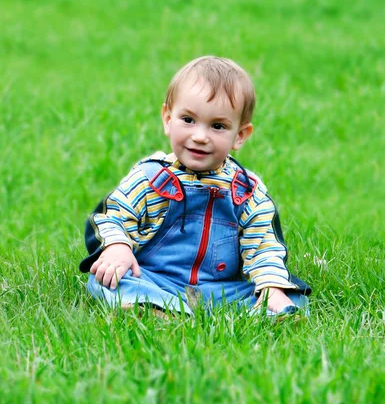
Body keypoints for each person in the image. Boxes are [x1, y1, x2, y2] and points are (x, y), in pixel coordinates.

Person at [79, 56, 311, 317]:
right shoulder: (150, 178)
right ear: (168, 118)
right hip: (155, 281)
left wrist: (271, 286)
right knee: (104, 279)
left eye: (218, 126)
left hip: (220, 291)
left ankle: (267, 314)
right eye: (188, 120)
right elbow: (111, 216)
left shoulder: (246, 192)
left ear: (240, 135)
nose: (200, 136)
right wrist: (117, 247)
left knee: (291, 295)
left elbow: (264, 244)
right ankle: (155, 307)